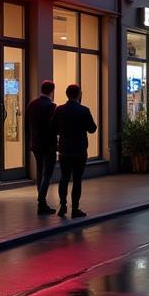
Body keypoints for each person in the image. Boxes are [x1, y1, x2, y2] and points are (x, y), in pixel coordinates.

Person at [51, 83, 97, 218]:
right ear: (79, 95)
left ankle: (63, 205)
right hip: (79, 150)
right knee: (77, 179)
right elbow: (92, 129)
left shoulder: (59, 110)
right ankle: (75, 208)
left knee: (64, 178)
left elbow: (52, 127)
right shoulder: (84, 110)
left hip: (64, 149)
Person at [24, 79, 57, 216]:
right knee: (48, 173)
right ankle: (41, 200)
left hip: (36, 143)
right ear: (52, 91)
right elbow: (54, 127)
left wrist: (30, 140)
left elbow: (26, 124)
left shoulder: (32, 104)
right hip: (48, 144)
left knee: (39, 170)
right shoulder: (51, 106)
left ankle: (41, 201)